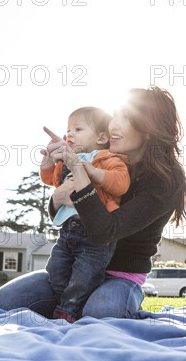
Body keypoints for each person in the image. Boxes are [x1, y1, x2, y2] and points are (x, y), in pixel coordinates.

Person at [0, 87, 186, 319]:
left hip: (119, 276)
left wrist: (78, 172)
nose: (113, 124)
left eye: (124, 117)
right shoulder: (99, 155)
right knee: (2, 303)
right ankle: (66, 307)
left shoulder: (165, 181)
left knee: (100, 312)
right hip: (71, 270)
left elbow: (106, 231)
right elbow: (62, 207)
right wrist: (56, 197)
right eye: (114, 115)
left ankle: (86, 308)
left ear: (148, 127)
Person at [39, 107, 130, 322]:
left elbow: (120, 183)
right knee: (56, 270)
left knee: (84, 276)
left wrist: (90, 171)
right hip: (68, 232)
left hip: (93, 236)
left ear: (101, 137)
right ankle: (68, 305)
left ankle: (67, 313)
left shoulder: (108, 157)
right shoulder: (70, 158)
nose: (69, 134)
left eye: (78, 129)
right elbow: (52, 180)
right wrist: (47, 164)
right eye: (68, 130)